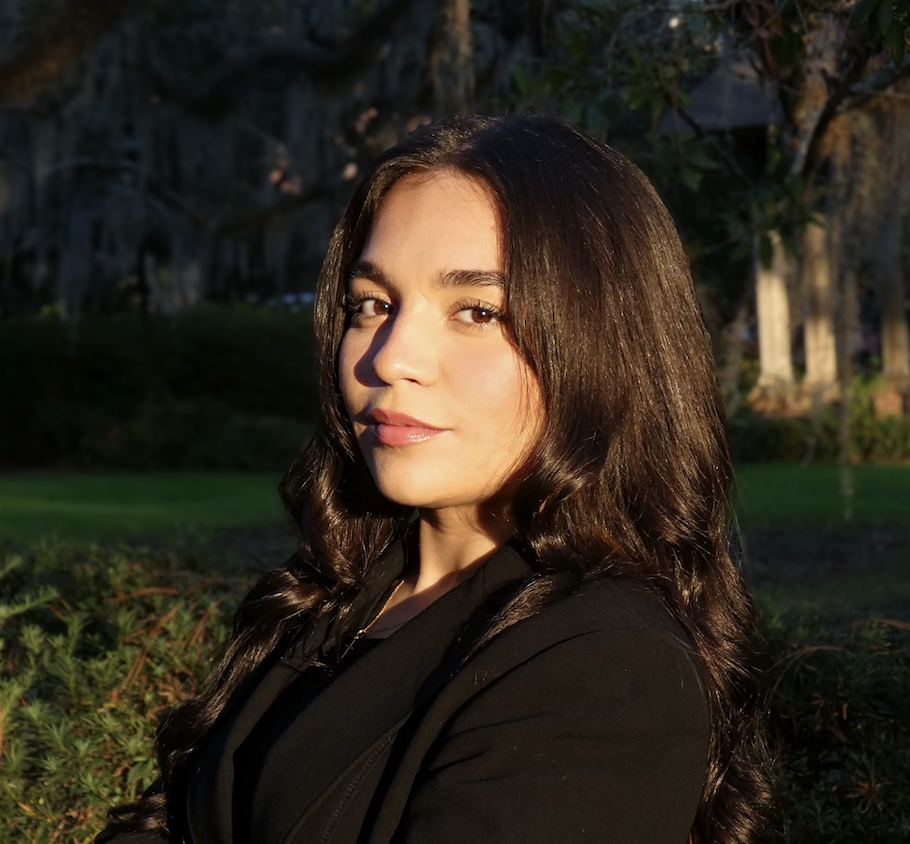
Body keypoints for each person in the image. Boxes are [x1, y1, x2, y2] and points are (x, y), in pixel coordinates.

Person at [96, 113, 771, 844]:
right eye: (373, 305)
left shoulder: (605, 670)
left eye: (477, 311)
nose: (390, 358)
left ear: (603, 347)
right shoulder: (342, 591)